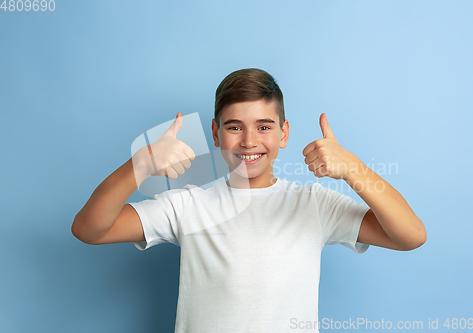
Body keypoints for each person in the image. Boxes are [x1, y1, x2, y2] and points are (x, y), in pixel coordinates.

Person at [72, 68, 426, 332]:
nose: (249, 140)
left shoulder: (316, 205)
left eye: (264, 126)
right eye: (234, 127)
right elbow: (89, 228)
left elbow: (411, 235)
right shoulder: (187, 205)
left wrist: (353, 169)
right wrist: (142, 163)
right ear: (216, 133)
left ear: (284, 133)